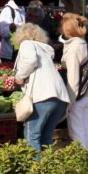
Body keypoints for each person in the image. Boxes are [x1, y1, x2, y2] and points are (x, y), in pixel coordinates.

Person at [13, 23, 69, 151]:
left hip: (43, 96)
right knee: (46, 138)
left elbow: (30, 61)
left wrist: (19, 77)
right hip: (60, 98)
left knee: (32, 136)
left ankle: (36, 170)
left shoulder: (27, 44)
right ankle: (47, 169)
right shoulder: (46, 49)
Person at [59, 13, 88, 152]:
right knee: (87, 133)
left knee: (77, 135)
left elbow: (73, 80)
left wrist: (70, 102)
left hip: (78, 97)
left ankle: (83, 168)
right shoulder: (87, 47)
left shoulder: (74, 49)